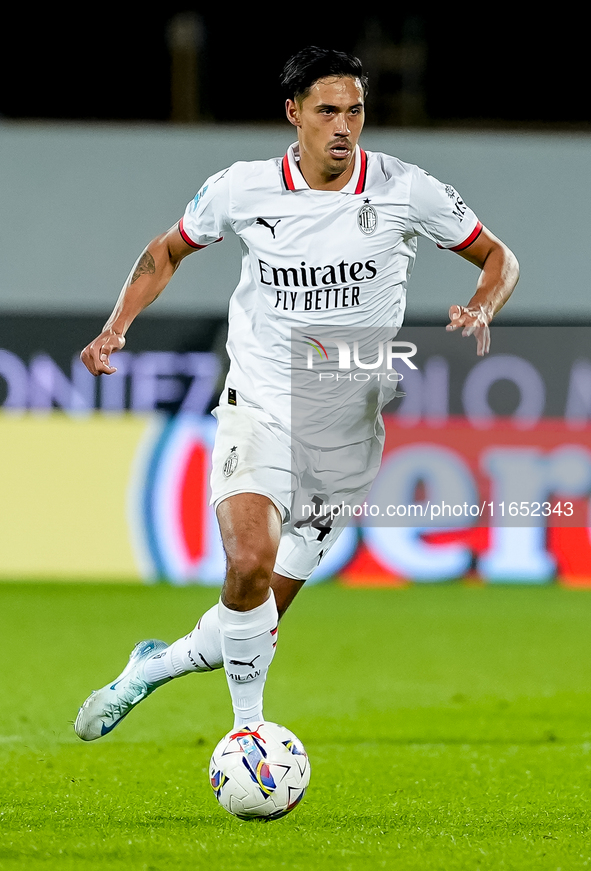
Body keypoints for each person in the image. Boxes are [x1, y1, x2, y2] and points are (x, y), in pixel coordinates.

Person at [74, 46, 519, 741]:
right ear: (293, 115)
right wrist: (114, 328)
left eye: (355, 110)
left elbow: (499, 255)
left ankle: (151, 668)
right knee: (247, 562)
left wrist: (482, 304)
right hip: (259, 401)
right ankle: (247, 734)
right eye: (327, 111)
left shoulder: (405, 188)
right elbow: (166, 250)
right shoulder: (242, 188)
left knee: (251, 617)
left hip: (347, 425)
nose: (344, 125)